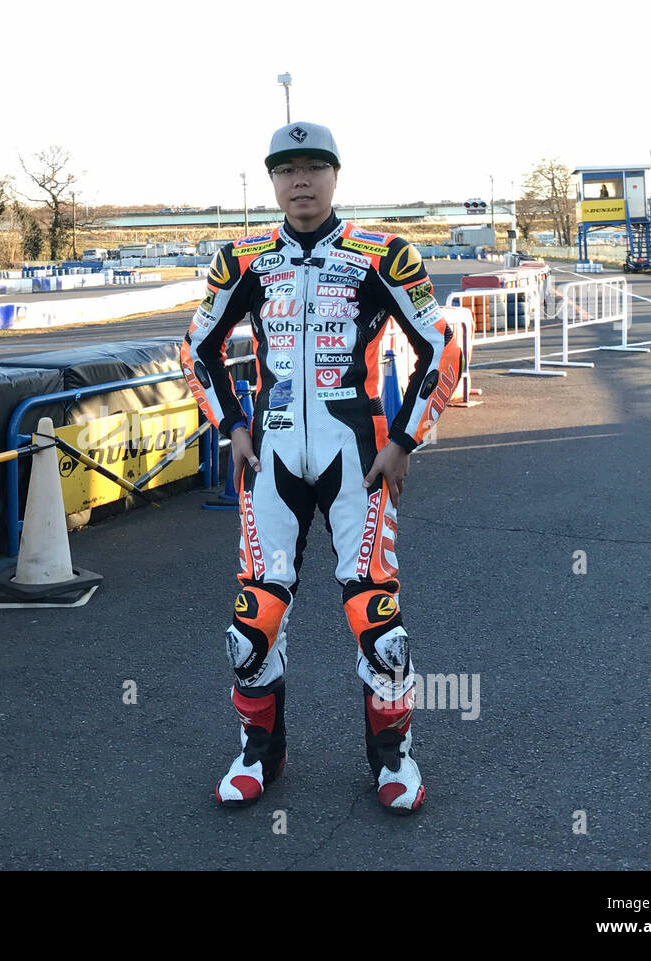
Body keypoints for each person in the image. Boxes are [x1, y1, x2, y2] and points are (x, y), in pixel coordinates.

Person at [180, 121, 463, 813]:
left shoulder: (383, 255)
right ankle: (259, 754)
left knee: (380, 626)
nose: (299, 181)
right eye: (285, 169)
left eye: (312, 167)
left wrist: (404, 439)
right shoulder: (241, 258)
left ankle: (393, 758)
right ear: (271, 181)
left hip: (357, 458)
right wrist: (233, 427)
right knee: (251, 626)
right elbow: (196, 350)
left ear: (335, 174)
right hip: (271, 456)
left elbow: (443, 346)